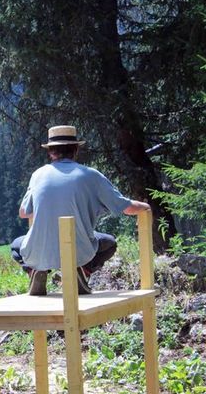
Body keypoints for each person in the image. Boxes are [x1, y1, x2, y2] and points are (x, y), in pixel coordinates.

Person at [11, 125, 151, 296]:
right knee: (110, 243)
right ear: (76, 149)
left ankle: (35, 271)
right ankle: (81, 270)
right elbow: (126, 208)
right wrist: (145, 207)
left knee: (16, 246)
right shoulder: (91, 175)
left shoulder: (37, 175)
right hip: (80, 250)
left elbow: (23, 212)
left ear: (50, 152)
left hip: (39, 251)